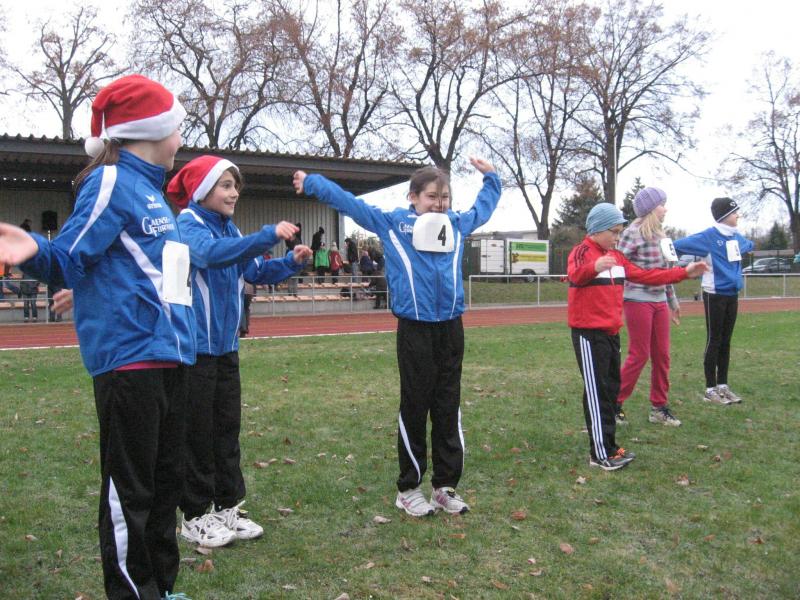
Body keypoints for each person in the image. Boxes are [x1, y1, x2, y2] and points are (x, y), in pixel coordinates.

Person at [0, 74, 194, 599]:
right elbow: (69, 257)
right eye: (178, 127)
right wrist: (30, 249)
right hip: (131, 363)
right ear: (151, 129)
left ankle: (162, 588)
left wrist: (86, 292)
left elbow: (144, 272)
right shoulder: (112, 181)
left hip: (173, 358)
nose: (181, 138)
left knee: (166, 488)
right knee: (131, 494)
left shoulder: (153, 194)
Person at [294, 156, 501, 517]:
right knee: (416, 406)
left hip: (451, 327)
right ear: (413, 197)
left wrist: (492, 179)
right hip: (415, 329)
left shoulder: (455, 223)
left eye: (445, 197)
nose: (439, 204)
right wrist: (313, 182)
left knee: (448, 406)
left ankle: (444, 486)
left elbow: (483, 209)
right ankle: (408, 488)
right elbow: (350, 204)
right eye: (432, 196)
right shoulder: (393, 224)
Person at [167, 155, 311, 549]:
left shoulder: (228, 227)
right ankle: (195, 515)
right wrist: (266, 235)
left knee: (226, 432)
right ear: (202, 190)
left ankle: (227, 506)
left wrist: (290, 261)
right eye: (226, 185)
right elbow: (211, 256)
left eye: (236, 187)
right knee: (197, 435)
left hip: (226, 348)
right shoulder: (187, 224)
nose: (234, 194)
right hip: (196, 351)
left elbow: (254, 271)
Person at [567, 203, 706, 471]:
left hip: (611, 332)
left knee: (610, 390)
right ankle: (600, 454)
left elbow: (646, 275)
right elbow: (575, 275)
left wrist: (683, 273)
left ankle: (610, 446)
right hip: (589, 334)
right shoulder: (582, 251)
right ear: (597, 229)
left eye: (619, 232)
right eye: (614, 232)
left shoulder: (617, 257)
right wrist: (595, 266)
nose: (617, 237)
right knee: (597, 392)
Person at [673, 197, 754, 404]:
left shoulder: (735, 236)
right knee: (714, 339)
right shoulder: (708, 237)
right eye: (734, 212)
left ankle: (723, 385)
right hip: (714, 293)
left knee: (726, 341)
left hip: (732, 294)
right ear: (724, 215)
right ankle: (710, 389)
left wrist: (748, 247)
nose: (738, 215)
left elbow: (748, 245)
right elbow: (677, 245)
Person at [615, 187, 682, 427]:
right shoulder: (632, 233)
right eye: (662, 204)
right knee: (640, 354)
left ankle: (659, 408)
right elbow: (617, 265)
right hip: (637, 300)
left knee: (662, 355)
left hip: (659, 301)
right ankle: (613, 404)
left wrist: (672, 301)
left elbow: (666, 273)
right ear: (651, 208)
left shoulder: (663, 237)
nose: (666, 209)